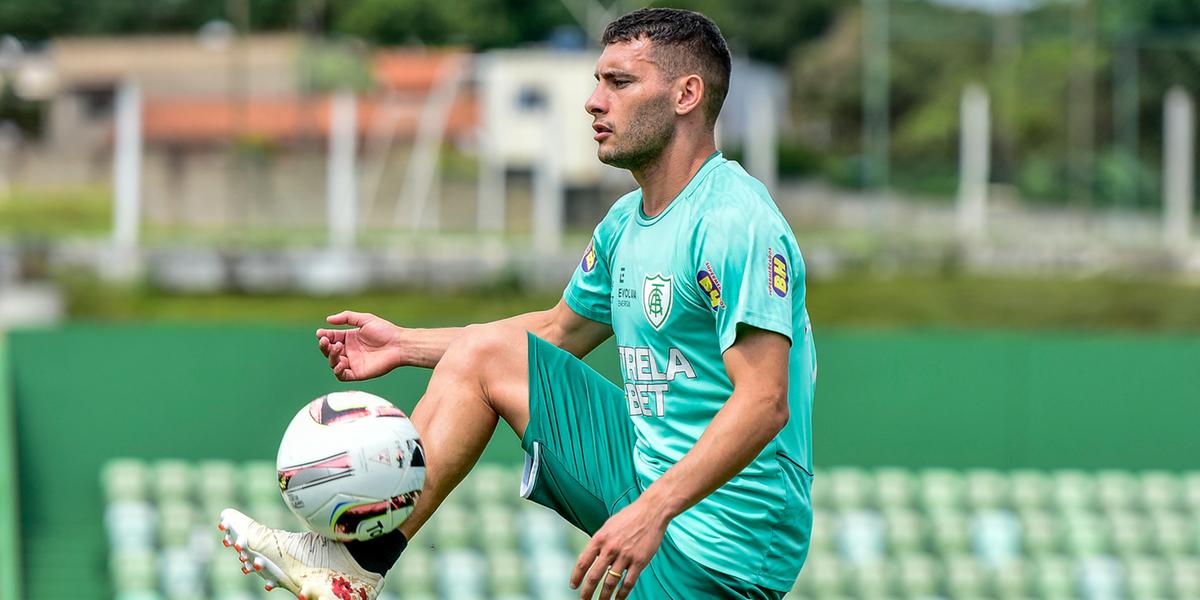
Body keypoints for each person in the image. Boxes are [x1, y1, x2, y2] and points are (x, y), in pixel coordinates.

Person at [217, 7, 815, 600]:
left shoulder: (733, 221)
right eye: (597, 80)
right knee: (485, 354)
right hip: (643, 474)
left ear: (687, 94)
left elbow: (765, 402)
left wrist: (650, 512)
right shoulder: (625, 223)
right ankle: (351, 566)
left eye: (619, 82)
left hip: (724, 538)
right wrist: (404, 345)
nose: (593, 101)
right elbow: (554, 331)